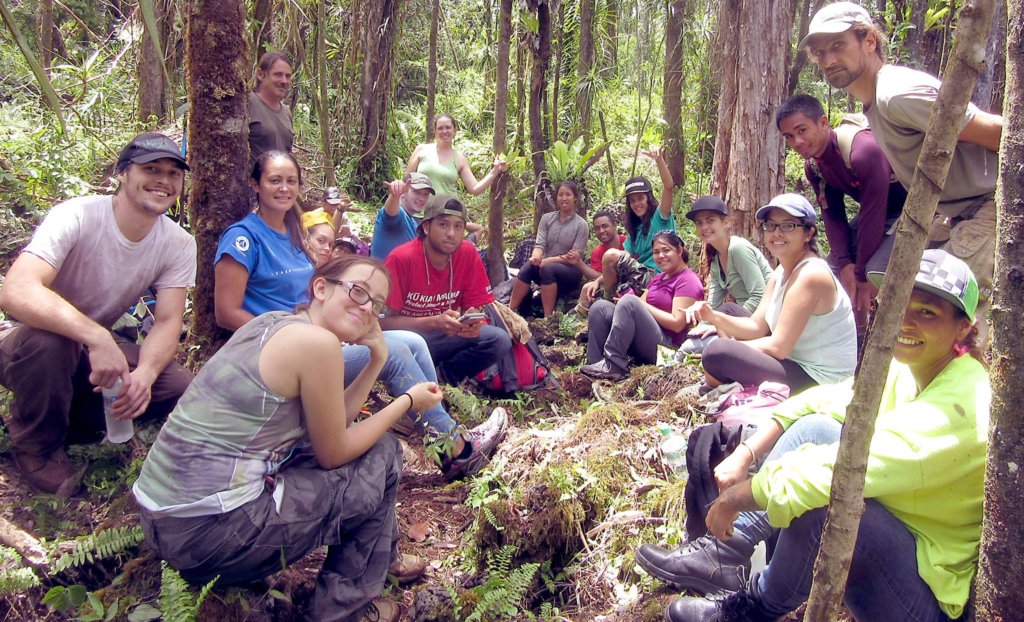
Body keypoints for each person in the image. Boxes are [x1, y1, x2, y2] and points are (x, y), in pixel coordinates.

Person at [656, 250, 989, 622]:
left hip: (927, 594)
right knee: (817, 426)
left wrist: (736, 497)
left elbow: (843, 474)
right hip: (902, 537)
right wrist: (747, 451)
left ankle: (752, 610)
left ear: (964, 327)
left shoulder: (965, 404)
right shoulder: (910, 366)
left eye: (926, 312)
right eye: (901, 304)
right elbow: (827, 399)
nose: (905, 322)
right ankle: (725, 552)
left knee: (826, 502)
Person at [134, 255, 441, 622]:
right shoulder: (317, 344)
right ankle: (343, 609)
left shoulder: (274, 322)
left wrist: (377, 359)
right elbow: (334, 452)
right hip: (210, 535)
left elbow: (333, 423)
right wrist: (407, 401)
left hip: (161, 520)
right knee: (385, 453)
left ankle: (381, 559)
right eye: (358, 292)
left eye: (377, 305)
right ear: (321, 287)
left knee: (368, 447)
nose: (367, 309)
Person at [215, 152, 506, 481]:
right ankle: (457, 450)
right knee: (394, 352)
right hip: (277, 351)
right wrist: (288, 334)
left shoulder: (294, 235)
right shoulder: (243, 237)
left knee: (410, 341)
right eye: (274, 180)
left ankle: (441, 435)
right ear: (255, 184)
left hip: (317, 341)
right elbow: (226, 313)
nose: (284, 188)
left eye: (291, 181)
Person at [0, 133, 196, 495]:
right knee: (50, 344)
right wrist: (96, 336)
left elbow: (168, 320)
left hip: (92, 351)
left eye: (173, 173)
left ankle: (73, 412)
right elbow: (16, 291)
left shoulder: (178, 242)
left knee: (176, 387)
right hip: (26, 340)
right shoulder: (78, 215)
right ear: (123, 174)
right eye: (151, 169)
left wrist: (147, 374)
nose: (163, 181)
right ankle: (37, 448)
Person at [800, 1, 1002, 347]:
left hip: (988, 206)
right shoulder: (874, 105)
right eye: (820, 52)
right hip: (954, 214)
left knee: (955, 332)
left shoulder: (896, 94)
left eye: (838, 45)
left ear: (869, 41)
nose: (829, 59)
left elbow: (999, 132)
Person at [686, 194, 857, 395]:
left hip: (822, 380)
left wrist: (734, 346)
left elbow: (779, 347)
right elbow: (757, 326)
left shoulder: (811, 275)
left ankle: (714, 388)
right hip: (793, 359)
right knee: (728, 318)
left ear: (808, 233)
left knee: (717, 352)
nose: (777, 233)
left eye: (788, 226)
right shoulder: (781, 271)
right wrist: (713, 317)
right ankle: (721, 383)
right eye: (771, 225)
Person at [776, 93, 907, 334]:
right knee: (830, 270)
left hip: (907, 210)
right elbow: (833, 214)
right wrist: (845, 262)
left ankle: (876, 336)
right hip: (877, 213)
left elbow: (873, 213)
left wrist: (859, 271)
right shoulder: (814, 166)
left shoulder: (863, 150)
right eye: (789, 137)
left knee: (872, 273)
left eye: (802, 130)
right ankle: (848, 336)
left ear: (823, 123)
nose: (796, 141)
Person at [382, 194, 513, 386]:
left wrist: (472, 322)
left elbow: (473, 307)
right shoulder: (401, 259)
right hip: (407, 343)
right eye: (443, 225)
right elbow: (381, 324)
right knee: (406, 347)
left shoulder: (467, 254)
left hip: (444, 337)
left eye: (458, 226)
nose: (451, 233)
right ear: (426, 227)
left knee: (498, 339)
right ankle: (411, 379)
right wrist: (433, 322)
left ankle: (443, 378)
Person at [580, 230, 703, 381]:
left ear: (679, 250)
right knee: (600, 308)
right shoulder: (658, 278)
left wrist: (634, 302)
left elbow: (677, 323)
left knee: (630, 302)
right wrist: (626, 303)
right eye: (656, 252)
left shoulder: (687, 280)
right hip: (644, 339)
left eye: (666, 250)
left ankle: (614, 365)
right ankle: (595, 364)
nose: (661, 256)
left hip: (667, 349)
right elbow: (641, 304)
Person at [679, 196, 774, 354]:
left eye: (710, 220)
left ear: (726, 222)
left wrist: (727, 323)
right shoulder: (715, 258)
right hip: (744, 319)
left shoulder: (738, 248)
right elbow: (713, 303)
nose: (704, 227)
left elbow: (760, 294)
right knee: (691, 343)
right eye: (699, 223)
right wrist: (703, 326)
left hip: (764, 321)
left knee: (692, 347)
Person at [582, 147, 676, 305]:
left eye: (640, 198)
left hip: (656, 275)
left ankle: (607, 303)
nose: (637, 203)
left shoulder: (661, 217)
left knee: (611, 255)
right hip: (638, 277)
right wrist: (598, 281)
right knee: (587, 287)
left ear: (648, 198)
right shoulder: (636, 229)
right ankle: (577, 321)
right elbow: (619, 259)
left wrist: (659, 160)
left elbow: (668, 187)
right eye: (632, 200)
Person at [508, 180, 590, 318]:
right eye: (560, 195)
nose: (564, 198)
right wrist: (536, 257)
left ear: (575, 197)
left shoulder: (581, 225)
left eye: (568, 195)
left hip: (570, 270)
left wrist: (547, 261)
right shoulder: (547, 219)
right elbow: (540, 244)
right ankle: (510, 311)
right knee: (527, 267)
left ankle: (547, 318)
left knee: (548, 269)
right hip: (544, 265)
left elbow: (573, 257)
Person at [405, 113, 507, 197]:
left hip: (445, 215)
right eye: (440, 128)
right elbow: (406, 181)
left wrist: (495, 171)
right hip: (418, 213)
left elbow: (474, 188)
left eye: (448, 127)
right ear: (435, 131)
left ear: (454, 130)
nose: (444, 131)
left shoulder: (460, 159)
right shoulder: (421, 150)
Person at [571, 209, 626, 314]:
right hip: (609, 287)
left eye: (605, 226)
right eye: (597, 228)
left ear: (615, 225)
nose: (601, 231)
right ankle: (579, 318)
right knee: (588, 287)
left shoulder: (628, 243)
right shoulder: (597, 252)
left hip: (628, 283)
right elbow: (600, 276)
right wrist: (579, 263)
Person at [370, 172, 435, 260]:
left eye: (425, 194)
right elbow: (390, 213)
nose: (421, 198)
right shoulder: (399, 216)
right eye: (416, 192)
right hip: (383, 272)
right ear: (403, 192)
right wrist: (394, 195)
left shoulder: (415, 223)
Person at [248, 52, 294, 169]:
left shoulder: (286, 112)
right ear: (260, 74)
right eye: (278, 75)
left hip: (280, 185)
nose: (284, 81)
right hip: (252, 185)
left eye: (288, 76)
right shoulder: (248, 103)